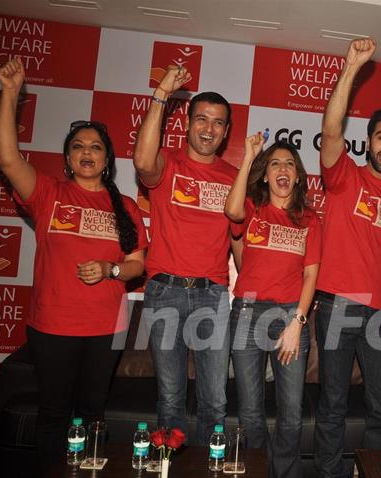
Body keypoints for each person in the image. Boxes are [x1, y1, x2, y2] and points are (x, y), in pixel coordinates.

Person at [0, 58, 148, 472]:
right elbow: (8, 160)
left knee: (93, 413)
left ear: (107, 159)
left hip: (106, 328)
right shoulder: (48, 194)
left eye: (96, 146)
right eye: (78, 146)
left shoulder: (126, 208)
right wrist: (10, 95)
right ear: (67, 157)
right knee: (54, 413)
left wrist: (111, 269)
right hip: (53, 326)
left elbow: (136, 267)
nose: (87, 152)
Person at [314, 38, 381, 478]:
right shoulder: (344, 177)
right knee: (332, 405)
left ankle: (369, 473)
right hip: (335, 302)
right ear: (369, 141)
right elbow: (331, 130)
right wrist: (351, 68)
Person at [133, 65, 237, 445]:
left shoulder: (233, 175)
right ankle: (166, 468)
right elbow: (143, 162)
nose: (209, 129)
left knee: (215, 400)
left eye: (218, 123)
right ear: (188, 124)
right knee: (171, 398)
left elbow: (241, 240)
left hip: (212, 293)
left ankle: (210, 469)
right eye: (202, 120)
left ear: (226, 132)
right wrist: (163, 94)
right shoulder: (168, 163)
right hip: (165, 291)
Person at [225, 134, 322, 478]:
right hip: (247, 314)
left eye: (290, 164)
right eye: (275, 163)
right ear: (265, 174)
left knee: (292, 413)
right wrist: (249, 157)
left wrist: (297, 322)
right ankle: (256, 472)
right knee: (250, 412)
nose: (283, 169)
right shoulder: (252, 209)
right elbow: (231, 210)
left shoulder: (310, 220)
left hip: (289, 318)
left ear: (298, 176)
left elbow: (311, 276)